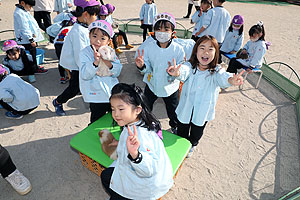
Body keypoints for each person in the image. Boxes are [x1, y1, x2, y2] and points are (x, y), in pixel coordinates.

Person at [167, 35, 244, 157]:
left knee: (197, 130)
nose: (205, 52)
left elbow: (223, 77)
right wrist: (178, 72)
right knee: (182, 126)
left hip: (203, 109)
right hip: (187, 106)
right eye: (202, 48)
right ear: (196, 51)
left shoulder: (216, 71)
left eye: (210, 49)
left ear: (215, 53)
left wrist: (230, 80)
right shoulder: (189, 66)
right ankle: (182, 142)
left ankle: (193, 144)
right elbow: (184, 71)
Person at [100, 83, 173, 200]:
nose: (115, 114)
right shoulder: (135, 122)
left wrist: (136, 156)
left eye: (121, 109)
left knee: (110, 180)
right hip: (142, 176)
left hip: (146, 186)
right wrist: (121, 143)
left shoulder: (143, 136)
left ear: (137, 110)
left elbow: (149, 170)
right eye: (113, 109)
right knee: (106, 176)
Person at [135, 12, 187, 134]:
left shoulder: (178, 49)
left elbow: (183, 66)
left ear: (173, 33)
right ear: (154, 31)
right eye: (158, 29)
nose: (162, 32)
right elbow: (146, 67)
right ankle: (145, 123)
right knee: (146, 106)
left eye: (166, 29)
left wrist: (177, 71)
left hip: (170, 86)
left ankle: (174, 126)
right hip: (152, 84)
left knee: (173, 110)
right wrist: (142, 66)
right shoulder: (149, 47)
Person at [52, 0, 100, 116]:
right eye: (95, 15)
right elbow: (80, 57)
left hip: (87, 65)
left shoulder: (85, 27)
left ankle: (91, 101)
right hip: (80, 67)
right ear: (86, 15)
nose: (96, 17)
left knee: (88, 85)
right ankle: (58, 101)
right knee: (74, 89)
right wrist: (91, 67)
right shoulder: (78, 32)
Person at [79, 20, 122, 124]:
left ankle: (114, 137)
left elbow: (117, 71)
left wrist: (108, 62)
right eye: (94, 36)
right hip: (96, 95)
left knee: (115, 117)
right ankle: (97, 136)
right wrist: (95, 62)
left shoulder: (110, 52)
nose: (98, 41)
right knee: (97, 120)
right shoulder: (84, 53)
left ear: (108, 41)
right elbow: (85, 75)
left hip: (111, 93)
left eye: (102, 38)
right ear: (89, 36)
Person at [14, 0, 48, 73]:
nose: (30, 8)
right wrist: (31, 39)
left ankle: (34, 66)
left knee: (32, 53)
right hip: (26, 39)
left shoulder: (23, 11)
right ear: (23, 3)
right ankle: (33, 69)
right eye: (30, 6)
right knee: (30, 55)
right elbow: (24, 27)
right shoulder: (19, 13)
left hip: (27, 38)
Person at [52, 16, 77, 83]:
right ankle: (70, 76)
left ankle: (62, 77)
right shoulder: (74, 29)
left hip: (57, 43)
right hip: (64, 44)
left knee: (61, 60)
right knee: (69, 60)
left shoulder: (64, 28)